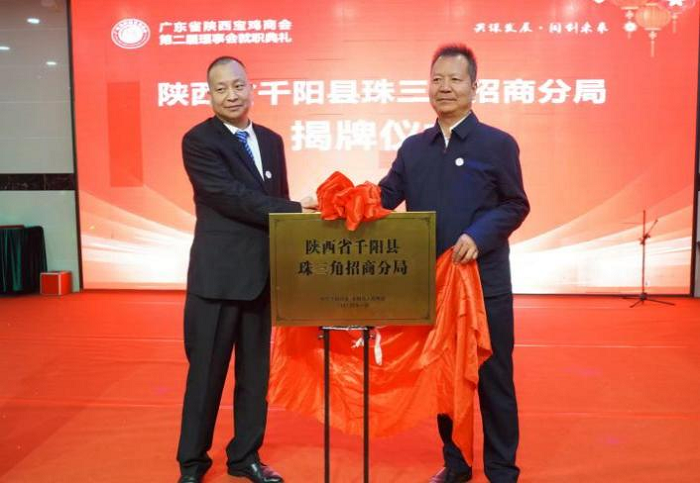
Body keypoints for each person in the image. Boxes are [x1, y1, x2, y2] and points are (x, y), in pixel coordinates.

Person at [379, 44, 530, 483]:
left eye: (455, 80)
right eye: (437, 79)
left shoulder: (498, 144)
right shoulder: (414, 148)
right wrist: (339, 201)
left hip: (485, 285)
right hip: (436, 287)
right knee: (444, 379)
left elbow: (515, 204)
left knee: (494, 378)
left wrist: (478, 236)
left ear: (474, 87)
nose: (444, 87)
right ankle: (456, 463)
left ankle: (501, 468)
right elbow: (385, 197)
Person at [176, 56, 317, 483]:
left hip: (260, 278)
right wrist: (296, 209)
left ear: (251, 87)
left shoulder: (271, 140)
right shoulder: (198, 141)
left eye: (238, 85)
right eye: (221, 88)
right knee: (206, 376)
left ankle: (245, 457)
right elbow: (229, 196)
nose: (231, 95)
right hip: (217, 280)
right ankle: (192, 463)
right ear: (209, 95)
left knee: (255, 377)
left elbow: (275, 208)